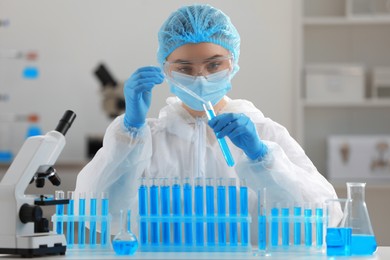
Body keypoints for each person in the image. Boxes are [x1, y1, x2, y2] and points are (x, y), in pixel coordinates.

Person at [75, 4, 338, 244]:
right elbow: (98, 213)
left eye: (213, 65)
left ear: (232, 63)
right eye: (185, 68)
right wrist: (130, 130)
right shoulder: (149, 141)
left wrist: (262, 157)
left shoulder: (264, 133)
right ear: (166, 70)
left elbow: (324, 218)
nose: (200, 78)